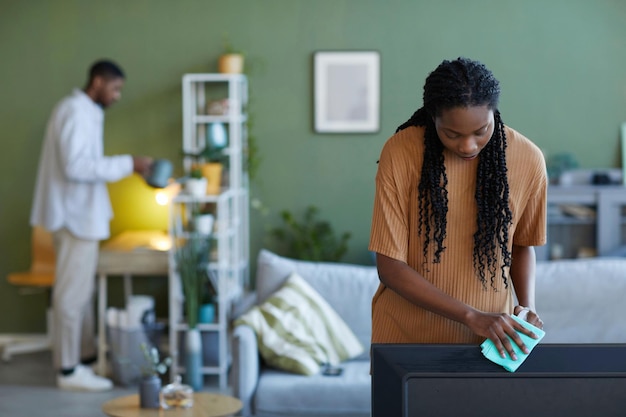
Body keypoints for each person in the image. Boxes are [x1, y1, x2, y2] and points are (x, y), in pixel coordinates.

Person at [369, 57, 547, 362]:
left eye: (481, 130)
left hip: (491, 345)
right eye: (451, 134)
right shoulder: (401, 152)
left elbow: (520, 246)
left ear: (494, 112)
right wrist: (471, 315)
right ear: (433, 118)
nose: (468, 146)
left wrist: (526, 307)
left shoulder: (528, 159)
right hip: (405, 341)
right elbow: (390, 268)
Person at [30, 59, 153, 391]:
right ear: (97, 82)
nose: (117, 96)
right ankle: (68, 371)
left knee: (83, 294)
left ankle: (82, 361)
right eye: (115, 89)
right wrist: (131, 164)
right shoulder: (73, 111)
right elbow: (76, 166)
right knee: (71, 296)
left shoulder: (86, 113)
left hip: (81, 217)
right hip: (74, 218)